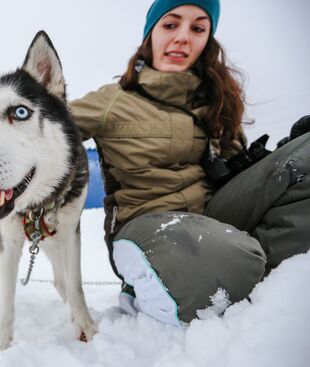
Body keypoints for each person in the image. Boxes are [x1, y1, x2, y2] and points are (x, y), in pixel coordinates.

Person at [69, 0, 310, 325]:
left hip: (214, 217)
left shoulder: (216, 100)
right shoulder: (112, 101)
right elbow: (44, 132)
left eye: (198, 28)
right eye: (171, 24)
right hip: (146, 225)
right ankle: (160, 284)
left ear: (207, 41)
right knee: (223, 254)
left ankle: (253, 281)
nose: (183, 37)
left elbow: (234, 170)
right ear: (150, 34)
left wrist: (283, 153)